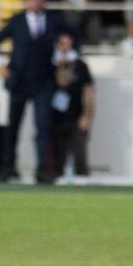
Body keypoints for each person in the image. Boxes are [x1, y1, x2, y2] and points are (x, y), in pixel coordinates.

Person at [0, 0, 72, 183]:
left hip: (44, 82)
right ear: (26, 1)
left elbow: (71, 40)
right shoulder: (16, 21)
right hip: (19, 82)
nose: (36, 2)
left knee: (43, 128)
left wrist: (65, 55)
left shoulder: (54, 21)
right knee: (13, 127)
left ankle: (43, 170)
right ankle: (8, 167)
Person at [50, 32, 94, 177]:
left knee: (79, 153)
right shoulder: (51, 64)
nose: (66, 48)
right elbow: (60, 83)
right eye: (63, 44)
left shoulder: (80, 66)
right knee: (58, 154)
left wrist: (86, 115)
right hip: (56, 116)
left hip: (76, 114)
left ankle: (82, 181)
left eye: (69, 44)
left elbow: (88, 91)